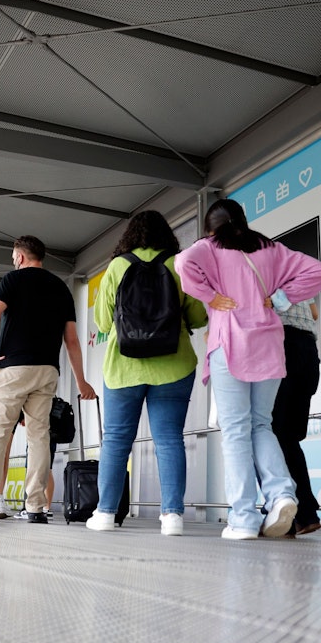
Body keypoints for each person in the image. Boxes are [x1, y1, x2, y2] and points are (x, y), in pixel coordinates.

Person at [176, 199, 321, 540]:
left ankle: (243, 517)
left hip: (231, 344)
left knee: (235, 431)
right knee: (262, 425)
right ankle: (283, 494)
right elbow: (319, 272)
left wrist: (210, 296)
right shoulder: (270, 248)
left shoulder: (211, 247)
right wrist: (278, 300)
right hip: (270, 346)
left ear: (210, 228)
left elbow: (182, 261)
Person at [0, 235, 96, 523]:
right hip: (47, 370)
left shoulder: (13, 280)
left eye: (13, 257)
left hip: (13, 368)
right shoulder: (60, 287)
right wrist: (81, 380)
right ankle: (35, 507)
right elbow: (71, 340)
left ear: (19, 257)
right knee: (39, 437)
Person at [85, 211, 208, 536]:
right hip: (174, 365)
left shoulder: (117, 266)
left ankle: (106, 514)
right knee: (169, 439)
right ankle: (172, 517)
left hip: (124, 366)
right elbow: (198, 317)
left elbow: (102, 323)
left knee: (115, 440)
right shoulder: (179, 263)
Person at [271, 298, 321, 535]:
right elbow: (314, 313)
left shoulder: (265, 267)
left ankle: (288, 514)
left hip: (281, 345)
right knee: (288, 437)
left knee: (271, 435)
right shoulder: (297, 268)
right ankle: (303, 514)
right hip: (308, 351)